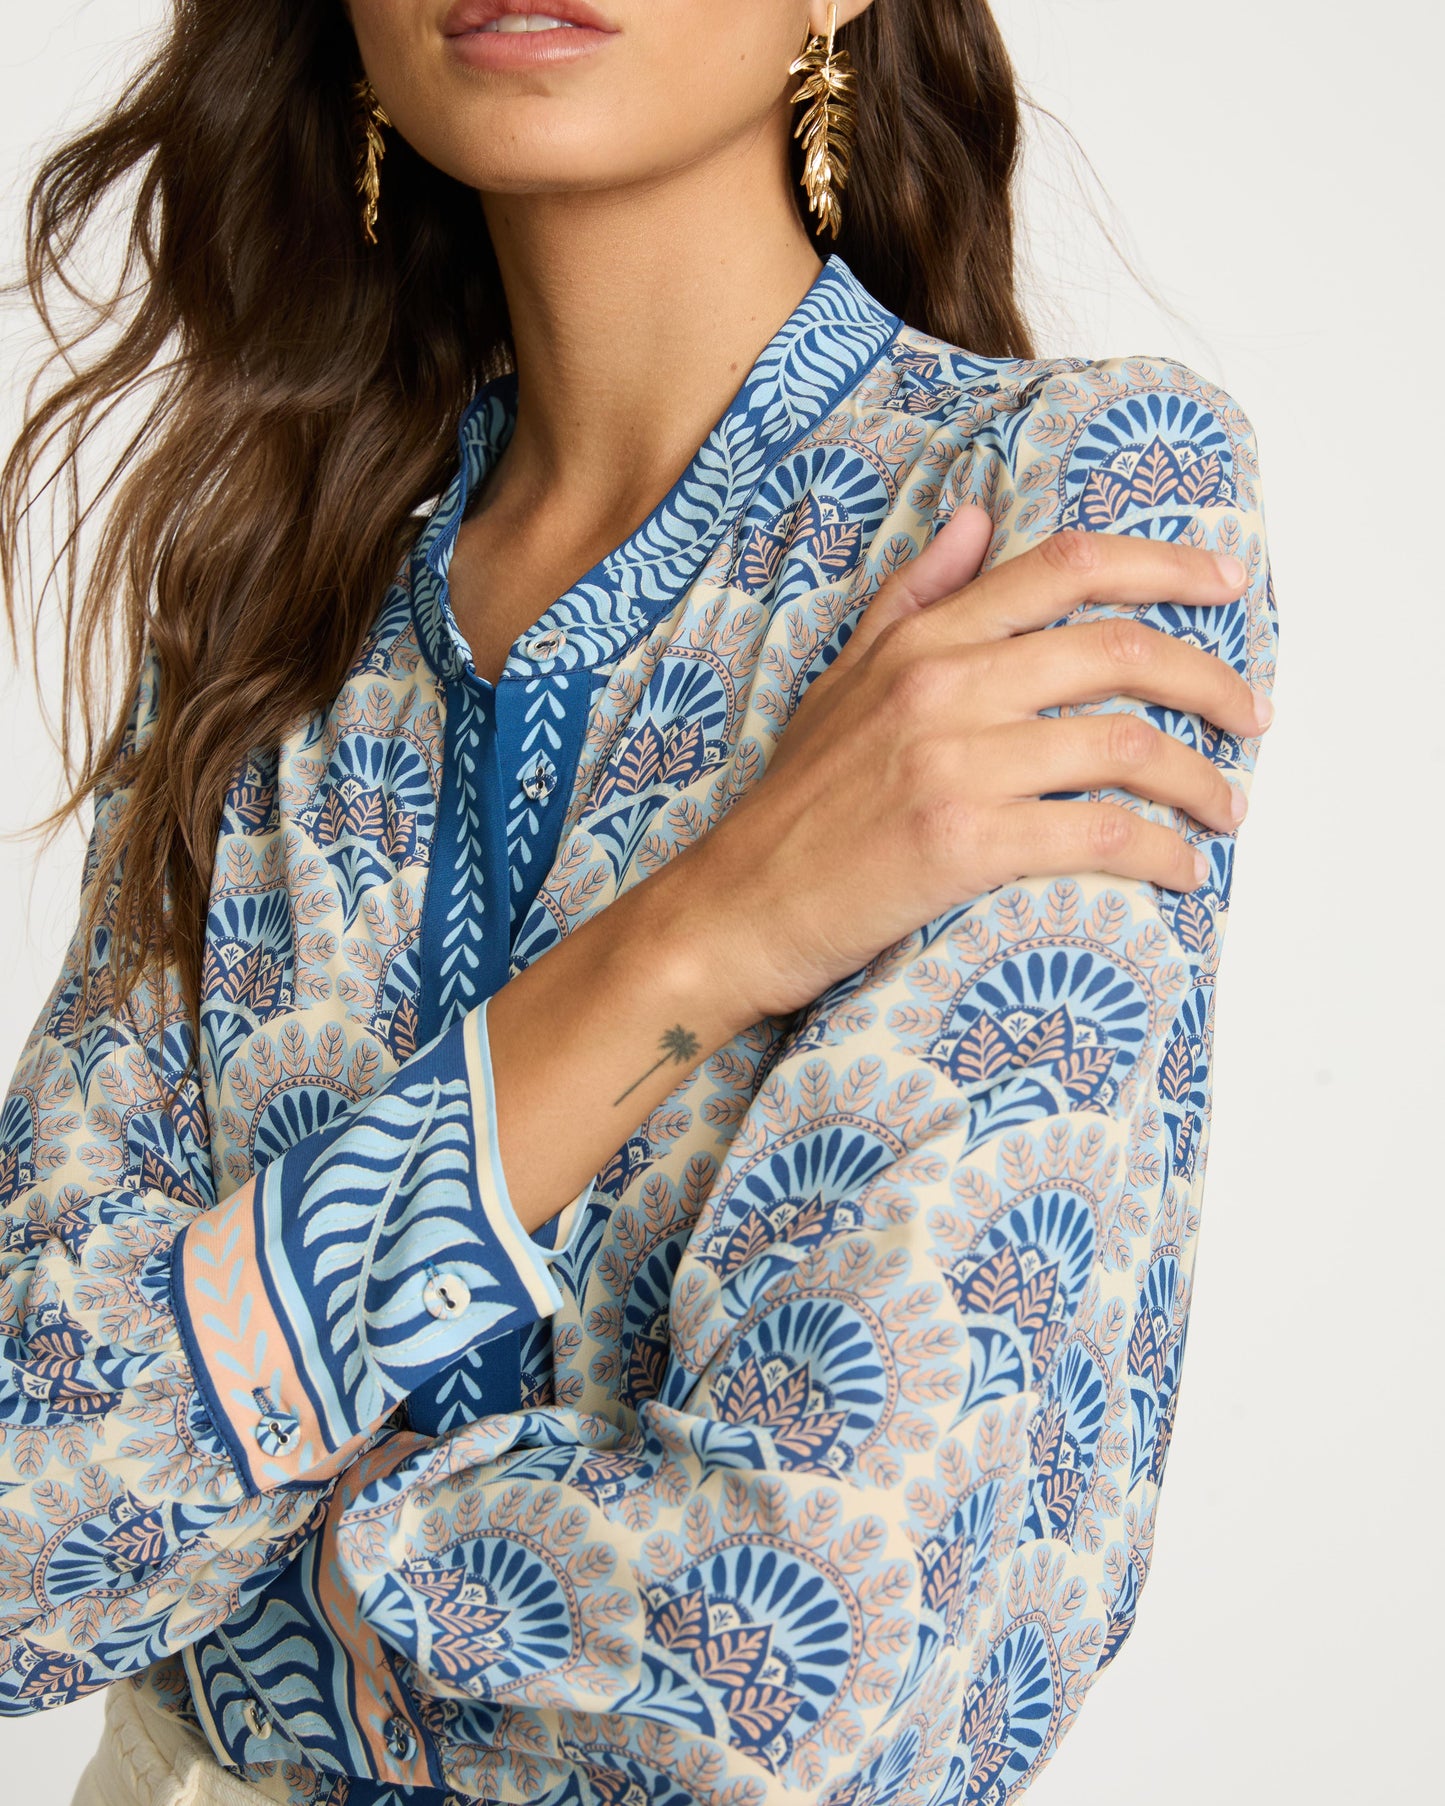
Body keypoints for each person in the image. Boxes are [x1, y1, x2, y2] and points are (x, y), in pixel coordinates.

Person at [0, 3, 1277, 1803]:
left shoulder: (1052, 507)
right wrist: (699, 937)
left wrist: (291, 1524)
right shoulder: (265, 598)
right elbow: (17, 1523)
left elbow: (812, 1663)